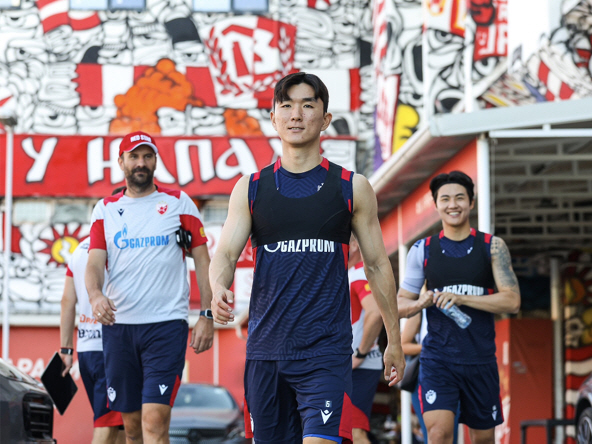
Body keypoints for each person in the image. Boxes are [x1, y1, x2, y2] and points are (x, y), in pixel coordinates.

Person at [209, 72, 405, 444]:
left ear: (325, 119)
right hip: (266, 352)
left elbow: (378, 266)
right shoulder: (250, 188)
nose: (296, 114)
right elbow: (225, 255)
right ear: (274, 118)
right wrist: (218, 286)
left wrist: (392, 340)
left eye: (307, 105)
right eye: (286, 106)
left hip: (325, 353)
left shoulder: (351, 187)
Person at [85, 131, 214, 444]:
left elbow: (203, 260)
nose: (141, 163)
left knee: (155, 420)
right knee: (131, 428)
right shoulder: (105, 209)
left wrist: (207, 314)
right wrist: (96, 295)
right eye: (134, 156)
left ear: (155, 160)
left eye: (147, 156)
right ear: (121, 162)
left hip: (166, 326)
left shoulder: (178, 202)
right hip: (120, 328)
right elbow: (93, 264)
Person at [397, 171, 521, 444]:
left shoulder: (492, 247)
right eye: (445, 199)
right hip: (438, 360)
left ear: (471, 203)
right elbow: (399, 303)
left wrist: (463, 299)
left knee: (483, 440)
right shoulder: (422, 249)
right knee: (439, 434)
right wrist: (420, 303)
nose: (453, 204)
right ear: (436, 204)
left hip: (481, 361)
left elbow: (512, 301)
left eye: (460, 198)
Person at [60, 217, 125, 444]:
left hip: (86, 349)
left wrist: (66, 349)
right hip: (111, 348)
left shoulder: (78, 250)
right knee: (107, 423)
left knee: (120, 424)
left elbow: (67, 301)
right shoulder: (120, 244)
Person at [401, 309, 459, 444]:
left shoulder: (460, 303)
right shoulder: (421, 309)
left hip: (456, 375)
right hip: (427, 377)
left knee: (451, 433)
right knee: (435, 434)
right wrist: (432, 348)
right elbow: (404, 345)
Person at [348, 236, 383, 444]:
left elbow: (375, 313)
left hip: (360, 367)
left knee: (355, 433)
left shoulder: (360, 273)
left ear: (353, 245)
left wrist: (360, 353)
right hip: (349, 367)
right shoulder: (350, 274)